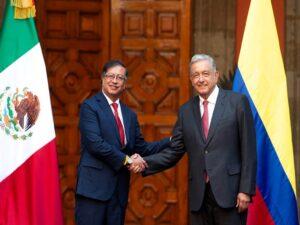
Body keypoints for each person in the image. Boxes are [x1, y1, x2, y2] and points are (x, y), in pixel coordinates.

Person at [141, 54, 257, 225]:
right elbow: (174, 150)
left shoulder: (237, 103)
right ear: (190, 79)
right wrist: (144, 162)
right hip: (199, 196)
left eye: (205, 73)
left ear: (216, 75)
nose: (200, 79)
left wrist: (245, 190)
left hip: (231, 194)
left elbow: (249, 149)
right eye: (196, 75)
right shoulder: (186, 111)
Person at [75, 60, 170, 225]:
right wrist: (127, 160)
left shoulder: (129, 115)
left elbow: (143, 148)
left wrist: (170, 140)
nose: (114, 81)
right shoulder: (89, 107)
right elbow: (95, 144)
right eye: (110, 76)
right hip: (93, 191)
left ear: (124, 84)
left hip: (118, 192)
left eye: (120, 78)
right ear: (103, 79)